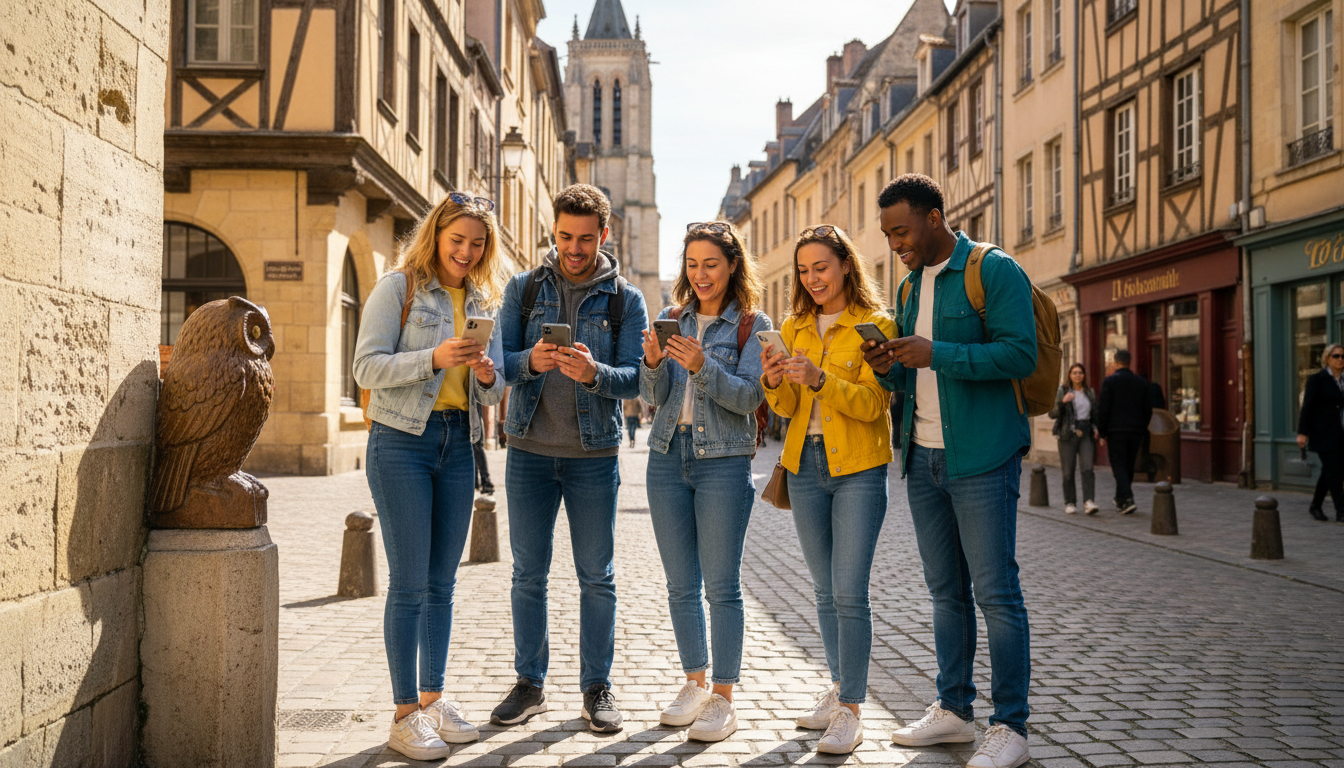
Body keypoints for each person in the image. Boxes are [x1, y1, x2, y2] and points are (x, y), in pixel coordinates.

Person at [864, 174, 1035, 768]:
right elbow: (914, 380)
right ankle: (954, 711)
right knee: (945, 594)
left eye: (902, 231)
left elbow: (1019, 354)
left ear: (935, 217)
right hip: (923, 457)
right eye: (888, 235)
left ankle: (1010, 725)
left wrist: (935, 351)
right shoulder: (910, 287)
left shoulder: (993, 271)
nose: (895, 244)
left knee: (996, 593)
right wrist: (889, 365)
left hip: (984, 457)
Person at [353, 192, 507, 761]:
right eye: (457, 239)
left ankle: (433, 699)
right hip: (401, 443)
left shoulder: (482, 299)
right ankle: (403, 715)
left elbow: (492, 391)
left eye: (477, 243)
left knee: (443, 584)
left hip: (458, 445)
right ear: (436, 234)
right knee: (410, 583)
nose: (466, 251)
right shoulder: (399, 288)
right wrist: (433, 359)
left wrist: (488, 374)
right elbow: (364, 367)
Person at [492, 184, 648, 733]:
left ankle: (596, 688)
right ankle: (530, 683)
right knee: (527, 575)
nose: (574, 249)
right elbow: (500, 365)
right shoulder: (524, 287)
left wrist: (595, 373)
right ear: (552, 231)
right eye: (564, 237)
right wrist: (530, 360)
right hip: (529, 451)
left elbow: (636, 379)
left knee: (596, 577)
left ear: (604, 235)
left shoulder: (625, 299)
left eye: (585, 239)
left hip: (593, 456)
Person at [761, 224, 895, 755]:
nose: (812, 278)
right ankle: (840, 687)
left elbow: (874, 404)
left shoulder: (875, 324)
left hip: (859, 467)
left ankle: (853, 711)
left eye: (821, 267)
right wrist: (776, 382)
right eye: (803, 270)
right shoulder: (792, 326)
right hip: (804, 466)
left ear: (844, 265)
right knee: (822, 590)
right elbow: (787, 411)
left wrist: (820, 380)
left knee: (849, 590)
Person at [639, 221, 770, 743]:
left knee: (721, 586)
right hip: (668, 457)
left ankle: (723, 696)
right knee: (679, 584)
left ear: (732, 265)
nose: (701, 275)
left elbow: (749, 399)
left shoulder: (753, 327)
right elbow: (653, 395)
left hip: (724, 461)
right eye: (692, 265)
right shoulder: (674, 319)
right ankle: (693, 681)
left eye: (711, 264)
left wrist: (701, 367)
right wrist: (652, 363)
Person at [1095, 349, 1151, 515]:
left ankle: (1127, 498)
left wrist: (1102, 431)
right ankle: (1121, 499)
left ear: (1116, 363)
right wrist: (1142, 427)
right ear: (1129, 362)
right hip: (1135, 431)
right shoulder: (1141, 383)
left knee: (1118, 464)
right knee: (1128, 465)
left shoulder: (1110, 381)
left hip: (1116, 430)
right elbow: (1147, 409)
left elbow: (1103, 408)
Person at [1296, 343, 1344, 522]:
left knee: (1331, 471)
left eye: (1342, 356)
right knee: (1334, 471)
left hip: (1341, 433)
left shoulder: (1343, 380)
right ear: (1327, 359)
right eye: (1336, 356)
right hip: (1323, 433)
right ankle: (1341, 510)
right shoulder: (1317, 379)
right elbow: (1307, 407)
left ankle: (1315, 505)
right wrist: (1302, 433)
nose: (1340, 360)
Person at [1050, 364, 1098, 515]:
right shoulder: (1062, 391)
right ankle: (1070, 502)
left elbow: (1094, 414)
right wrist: (1062, 402)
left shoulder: (1089, 392)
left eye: (1080, 373)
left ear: (1084, 375)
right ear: (1069, 375)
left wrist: (1096, 428)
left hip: (1085, 432)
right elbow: (1052, 413)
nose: (1078, 375)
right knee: (1068, 471)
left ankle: (1089, 501)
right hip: (1067, 434)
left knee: (1088, 468)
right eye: (1074, 373)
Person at [473, 403, 495, 495]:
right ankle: (476, 482)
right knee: (473, 450)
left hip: (475, 419)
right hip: (473, 417)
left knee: (477, 449)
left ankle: (486, 482)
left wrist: (487, 433)